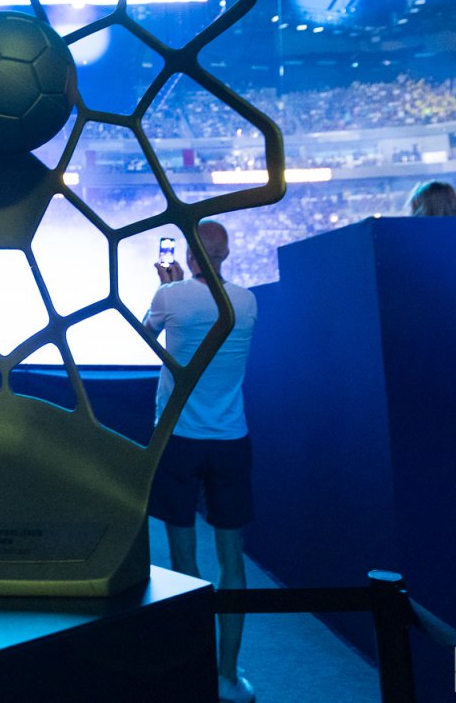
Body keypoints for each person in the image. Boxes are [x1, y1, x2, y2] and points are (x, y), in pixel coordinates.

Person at [146, 220, 258, 703]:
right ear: (226, 254)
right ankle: (227, 676)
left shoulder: (169, 297)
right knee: (232, 561)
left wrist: (167, 286)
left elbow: (148, 335)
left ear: (189, 255)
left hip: (178, 439)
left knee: (183, 559)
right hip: (231, 439)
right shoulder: (247, 301)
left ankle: (193, 668)